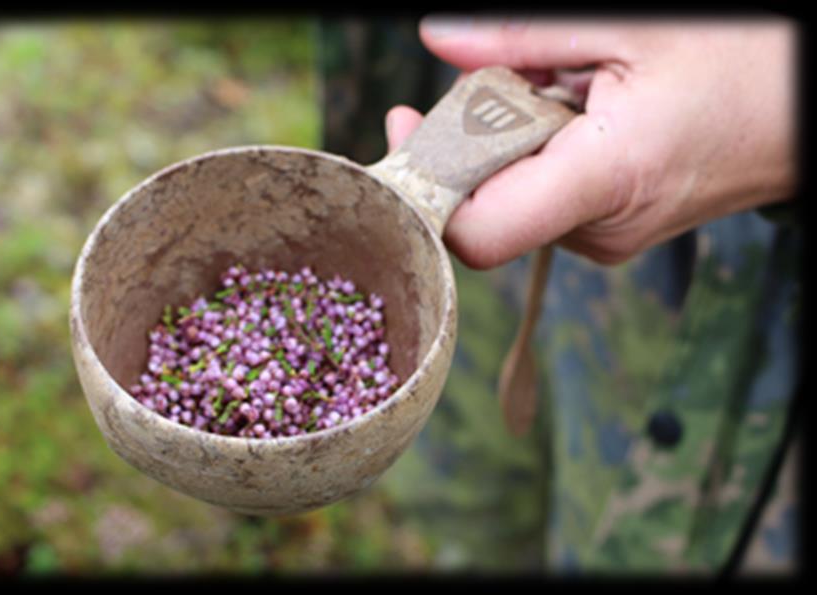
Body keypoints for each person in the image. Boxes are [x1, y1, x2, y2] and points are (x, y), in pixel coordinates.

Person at [321, 16, 801, 574]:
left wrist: (775, 98)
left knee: (610, 517)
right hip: (463, 97)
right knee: (477, 474)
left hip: (733, 277)